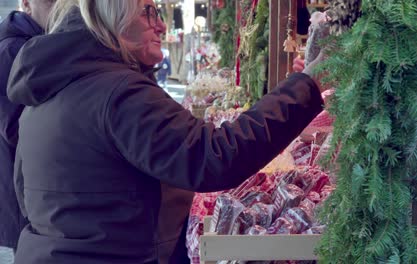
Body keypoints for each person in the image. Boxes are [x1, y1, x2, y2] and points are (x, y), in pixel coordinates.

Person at [7, 0, 324, 263]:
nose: (161, 25)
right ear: (115, 15)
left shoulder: (47, 91)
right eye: (149, 11)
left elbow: (24, 195)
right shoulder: (118, 93)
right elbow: (213, 156)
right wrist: (308, 86)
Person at [0, 0, 55, 253]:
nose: (57, 7)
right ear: (26, 5)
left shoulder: (37, 43)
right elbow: (14, 129)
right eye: (49, 1)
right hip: (22, 187)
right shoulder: (14, 50)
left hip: (31, 187)